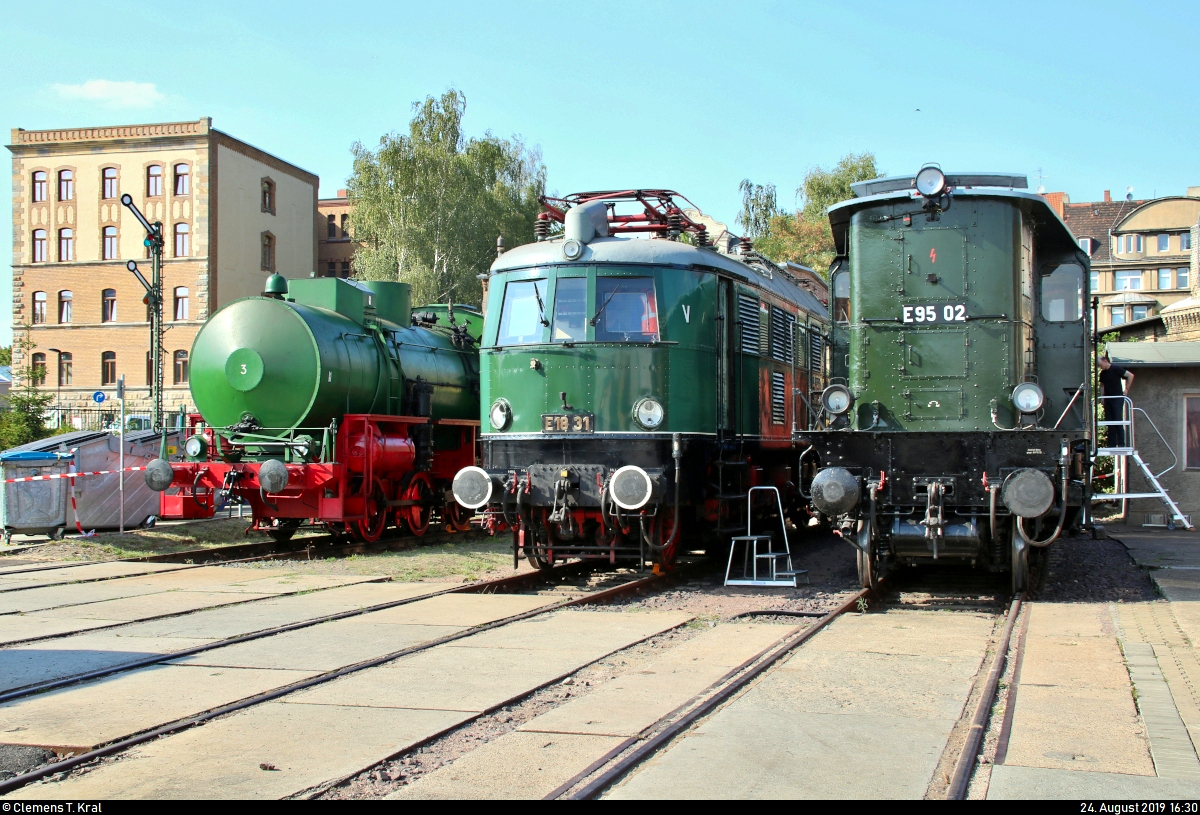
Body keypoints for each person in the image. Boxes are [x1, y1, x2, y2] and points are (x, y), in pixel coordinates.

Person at [1098, 354, 1134, 448]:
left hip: (1117, 398)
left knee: (1117, 419)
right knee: (1109, 421)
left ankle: (1121, 443)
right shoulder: (1102, 374)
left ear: (1105, 361)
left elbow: (1130, 375)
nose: (1100, 367)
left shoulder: (1116, 369)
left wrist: (1126, 389)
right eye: (1099, 366)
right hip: (1108, 399)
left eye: (1101, 365)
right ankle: (1111, 444)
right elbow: (1102, 385)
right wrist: (1102, 397)